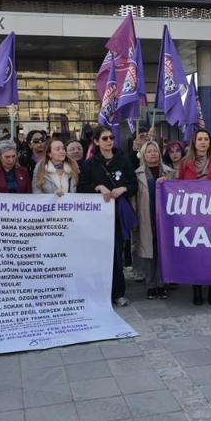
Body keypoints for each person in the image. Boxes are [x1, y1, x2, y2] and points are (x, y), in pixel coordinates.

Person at [79, 126, 138, 307]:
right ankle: (100, 292)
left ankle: (118, 293)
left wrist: (124, 188)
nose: (109, 141)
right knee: (98, 255)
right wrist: (98, 187)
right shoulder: (90, 163)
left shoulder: (123, 159)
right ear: (96, 142)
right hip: (97, 218)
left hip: (117, 215)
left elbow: (133, 184)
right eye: (104, 138)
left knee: (116, 254)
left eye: (111, 137)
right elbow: (82, 188)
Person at [176, 130, 211, 306]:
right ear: (194, 142)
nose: (203, 142)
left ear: (210, 142)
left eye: (206, 139)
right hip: (192, 213)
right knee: (195, 251)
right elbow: (178, 187)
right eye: (200, 139)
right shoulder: (184, 163)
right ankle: (196, 288)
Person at [133, 140, 174, 300]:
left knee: (163, 251)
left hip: (165, 218)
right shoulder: (138, 173)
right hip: (146, 216)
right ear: (143, 154)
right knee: (149, 252)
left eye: (155, 151)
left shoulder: (170, 172)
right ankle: (151, 285)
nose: (152, 154)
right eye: (149, 151)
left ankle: (162, 283)